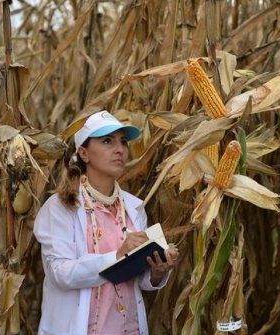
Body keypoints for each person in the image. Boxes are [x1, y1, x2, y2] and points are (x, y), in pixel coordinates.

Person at [34, 110, 179, 335]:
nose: (120, 149)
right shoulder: (61, 206)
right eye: (107, 141)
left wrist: (157, 270)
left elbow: (137, 280)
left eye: (123, 141)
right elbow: (60, 272)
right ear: (84, 153)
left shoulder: (134, 208)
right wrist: (117, 256)